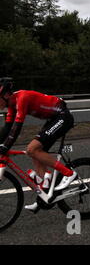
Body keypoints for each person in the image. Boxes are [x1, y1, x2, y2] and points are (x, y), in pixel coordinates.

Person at [0, 77, 77, 211]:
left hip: (63, 117)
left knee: (32, 149)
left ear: (6, 95)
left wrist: (5, 147)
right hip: (53, 119)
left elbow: (16, 128)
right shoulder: (12, 105)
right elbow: (7, 129)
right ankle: (43, 197)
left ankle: (69, 174)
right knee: (36, 154)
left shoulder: (21, 98)